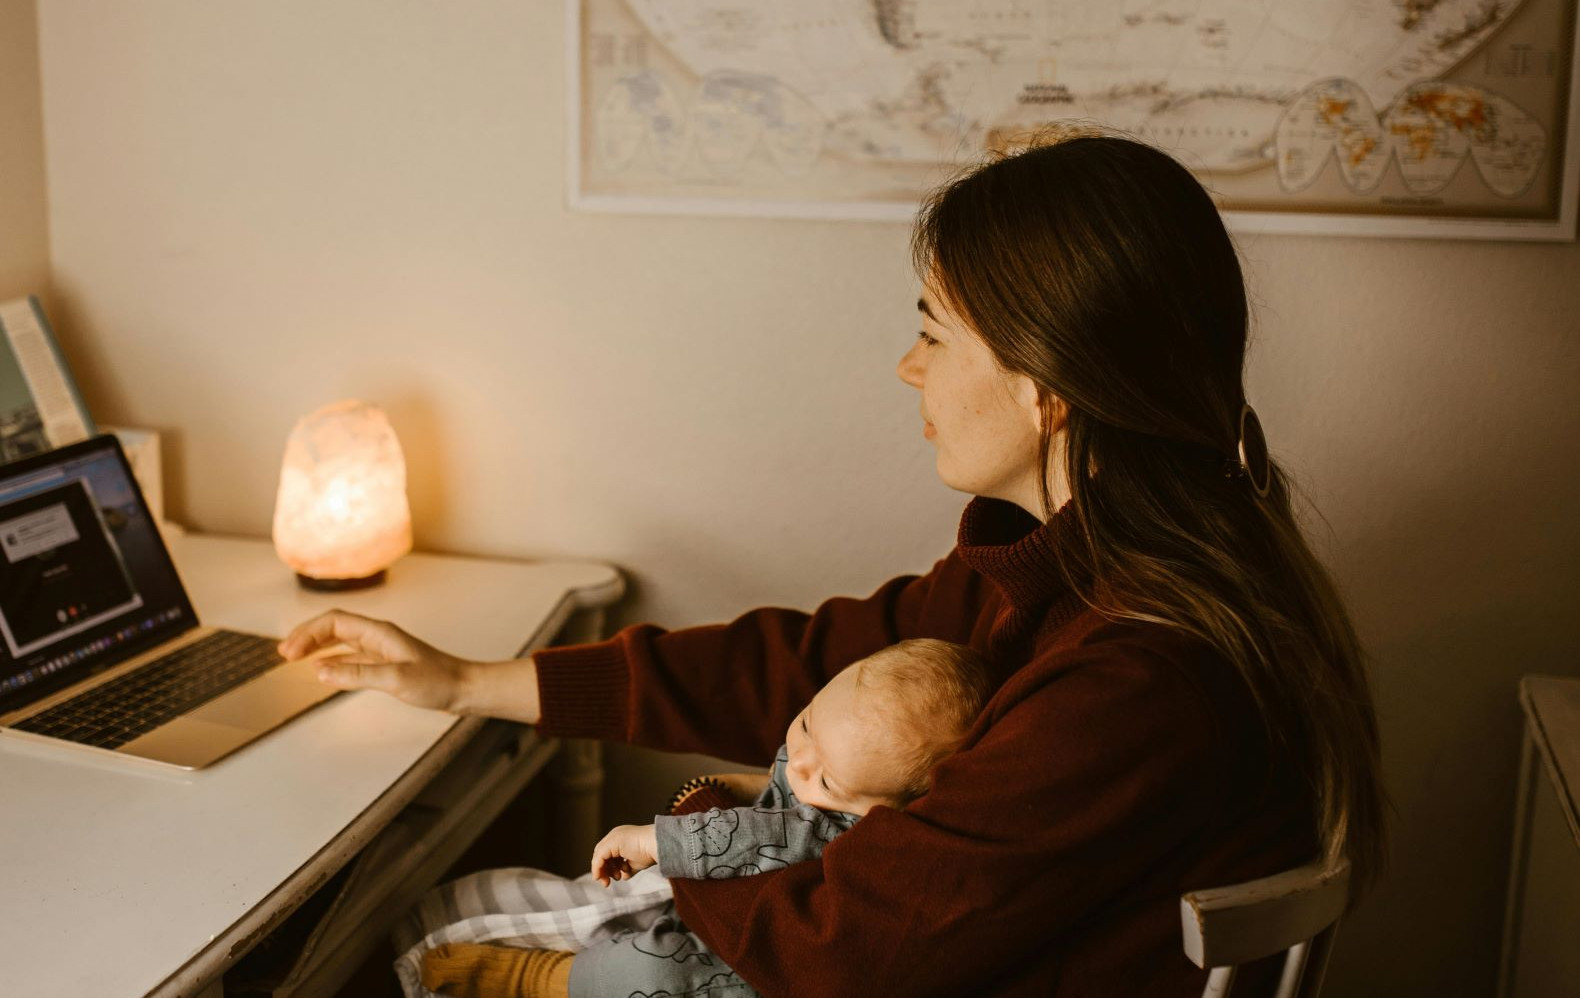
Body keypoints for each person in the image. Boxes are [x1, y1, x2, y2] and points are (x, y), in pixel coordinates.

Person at [279, 134, 1388, 997]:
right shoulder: (1082, 571)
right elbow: (808, 663)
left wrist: (699, 838)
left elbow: (842, 950)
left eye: (934, 333)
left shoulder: (1137, 676)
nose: (907, 367)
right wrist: (467, 680)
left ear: (1046, 389)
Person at [417, 638, 993, 998]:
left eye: (828, 781)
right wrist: (740, 784)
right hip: (712, 904)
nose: (800, 767)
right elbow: (773, 788)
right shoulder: (825, 758)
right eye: (807, 725)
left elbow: (765, 831)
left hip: (747, 966)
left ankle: (535, 981)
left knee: (658, 978)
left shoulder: (847, 829)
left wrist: (653, 839)